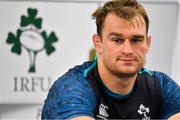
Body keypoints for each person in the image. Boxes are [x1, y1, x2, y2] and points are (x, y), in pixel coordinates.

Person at [41, 0, 180, 119]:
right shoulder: (71, 88)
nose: (128, 50)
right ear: (98, 43)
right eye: (117, 40)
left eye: (136, 40)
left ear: (147, 43)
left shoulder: (162, 87)